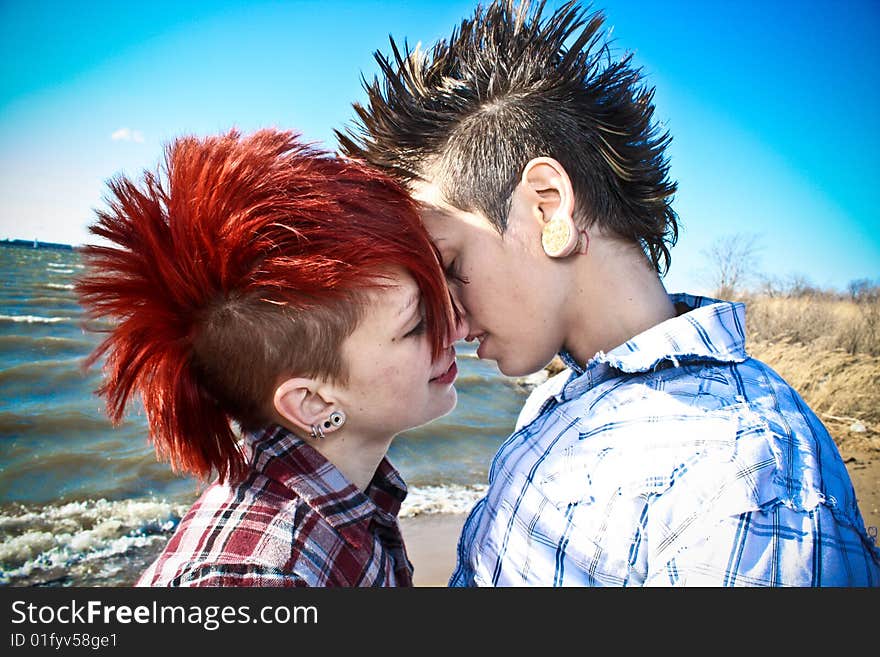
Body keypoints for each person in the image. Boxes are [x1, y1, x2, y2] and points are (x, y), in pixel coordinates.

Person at [337, 0, 880, 586]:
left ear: (548, 206)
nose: (448, 318)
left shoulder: (743, 479)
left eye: (449, 262)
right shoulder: (559, 400)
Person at [75, 128, 464, 586]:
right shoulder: (251, 581)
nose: (455, 328)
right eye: (417, 325)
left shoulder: (346, 500)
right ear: (312, 403)